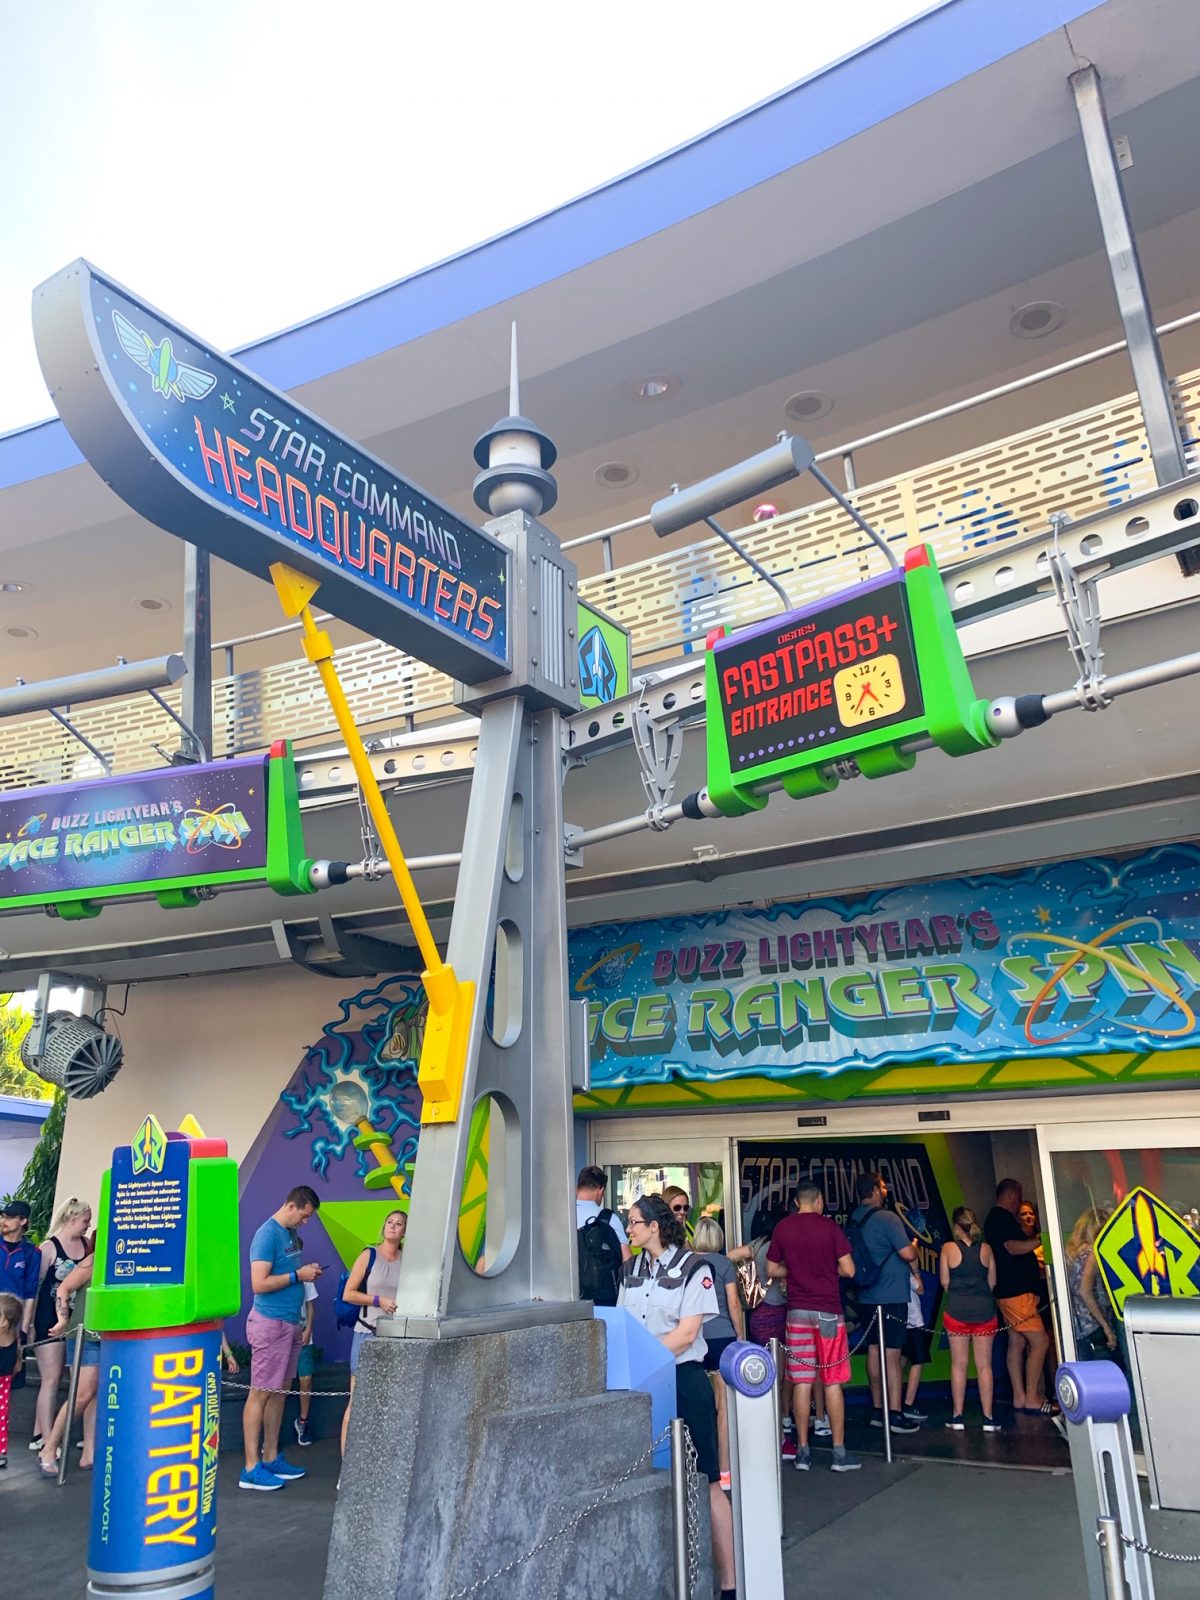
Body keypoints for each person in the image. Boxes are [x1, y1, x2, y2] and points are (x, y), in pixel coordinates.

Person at [620, 1195, 735, 1600]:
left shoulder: (694, 1268)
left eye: (634, 1223)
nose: (629, 1229)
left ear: (654, 1226)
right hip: (642, 1381)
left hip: (683, 1378)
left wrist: (644, 1359)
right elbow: (623, 1324)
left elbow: (688, 1334)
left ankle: (729, 1585)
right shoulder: (629, 1269)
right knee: (650, 1477)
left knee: (707, 1482)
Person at [766, 1183, 861, 1473]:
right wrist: (825, 1272)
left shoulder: (783, 1228)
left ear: (796, 1202)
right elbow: (849, 1270)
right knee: (832, 1379)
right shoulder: (830, 1228)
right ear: (819, 1200)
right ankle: (839, 1453)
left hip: (797, 1313)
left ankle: (803, 1452)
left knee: (802, 1379)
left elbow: (770, 1270)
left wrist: (795, 1272)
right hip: (829, 1313)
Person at [241, 1185, 322, 1491]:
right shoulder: (267, 1234)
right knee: (260, 1392)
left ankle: (271, 1455)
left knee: (279, 1392)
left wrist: (304, 1273)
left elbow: (289, 1274)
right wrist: (297, 1276)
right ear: (292, 1206)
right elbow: (258, 1284)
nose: (305, 1222)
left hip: (289, 1323)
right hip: (270, 1323)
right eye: (304, 1216)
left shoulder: (288, 1235)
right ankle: (251, 1467)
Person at [848, 1173, 920, 1433]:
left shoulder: (855, 1218)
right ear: (876, 1190)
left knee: (874, 1351)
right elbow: (907, 1253)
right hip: (891, 1296)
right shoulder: (888, 1218)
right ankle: (896, 1412)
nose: (886, 1190)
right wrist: (913, 1246)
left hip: (866, 1296)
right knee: (892, 1355)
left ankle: (878, 1409)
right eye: (883, 1186)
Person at [984, 1179, 1054, 1414]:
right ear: (1012, 1195)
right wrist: (1040, 1241)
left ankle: (1020, 1396)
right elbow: (1012, 1248)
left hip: (1009, 1293)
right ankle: (1033, 1397)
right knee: (1040, 1341)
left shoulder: (996, 1219)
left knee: (1017, 1342)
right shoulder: (1001, 1218)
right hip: (1017, 1293)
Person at [339, 1208, 406, 1455]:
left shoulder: (405, 1260)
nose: (393, 1226)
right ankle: (346, 1464)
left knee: (388, 1399)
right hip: (367, 1331)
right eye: (389, 1221)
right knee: (356, 1400)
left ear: (404, 1232)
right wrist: (377, 1300)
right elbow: (349, 1293)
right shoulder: (369, 1255)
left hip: (395, 1334)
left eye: (399, 1224)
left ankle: (376, 1457)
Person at [30, 1197, 92, 1452]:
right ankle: (46, 1437)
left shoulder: (87, 1246)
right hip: (48, 1318)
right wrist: (31, 1323)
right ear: (72, 1218)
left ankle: (45, 1432)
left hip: (77, 1320)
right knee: (51, 1378)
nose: (88, 1226)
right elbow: (36, 1286)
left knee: (76, 1379)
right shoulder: (49, 1247)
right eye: (85, 1221)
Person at [692, 1216, 744, 1488]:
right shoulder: (724, 1264)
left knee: (701, 1407)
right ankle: (724, 1472)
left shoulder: (687, 1263)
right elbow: (734, 1303)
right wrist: (741, 1336)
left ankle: (702, 1468)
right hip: (723, 1336)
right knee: (723, 1407)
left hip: (694, 1338)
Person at [37, 1250, 100, 1475]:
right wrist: (62, 1319)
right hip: (86, 1334)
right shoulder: (94, 1259)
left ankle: (89, 1452)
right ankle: (50, 1447)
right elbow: (64, 1288)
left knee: (95, 1394)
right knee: (82, 1393)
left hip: (109, 1334)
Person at [939, 1206, 1000, 1431]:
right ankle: (988, 1418)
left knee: (959, 1365)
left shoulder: (948, 1248)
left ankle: (957, 1416)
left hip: (957, 1312)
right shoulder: (986, 1249)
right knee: (984, 1366)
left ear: (956, 1227)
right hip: (984, 1312)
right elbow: (992, 1282)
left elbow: (944, 1282)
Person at [1064, 1208, 1117, 1359]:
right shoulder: (1093, 1253)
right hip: (1094, 1323)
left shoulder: (1072, 1252)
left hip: (1077, 1326)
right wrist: (1106, 1326)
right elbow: (1085, 1291)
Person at [576, 1165, 630, 1306]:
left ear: (577, 1188)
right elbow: (627, 1261)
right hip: (603, 1299)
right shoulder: (609, 1218)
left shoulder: (563, 1216)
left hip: (568, 1298)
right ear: (601, 1190)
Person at [0, 1202, 40, 1364]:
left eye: (9, 1217)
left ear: (23, 1221)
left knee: (7, 1369)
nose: (4, 1221)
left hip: (12, 1317)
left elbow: (30, 1290)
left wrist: (25, 1326)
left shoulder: (32, 1252)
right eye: (3, 1216)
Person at [900, 1263, 931, 1426]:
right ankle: (908, 1404)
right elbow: (920, 1289)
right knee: (918, 1362)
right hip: (913, 1321)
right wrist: (916, 1268)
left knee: (901, 1361)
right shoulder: (903, 1269)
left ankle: (894, 1402)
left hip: (900, 1321)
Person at [293, 1276, 319, 1446]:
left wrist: (309, 1328)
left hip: (303, 1336)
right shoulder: (275, 1274)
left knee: (306, 1379)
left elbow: (310, 1304)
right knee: (279, 1385)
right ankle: (271, 1435)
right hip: (281, 1338)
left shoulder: (305, 1276)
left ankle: (303, 1422)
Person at [0, 1291, 21, 1469]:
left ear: (4, 1322)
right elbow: (16, 1367)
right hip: (4, 1387)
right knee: (1, 1419)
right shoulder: (14, 1339)